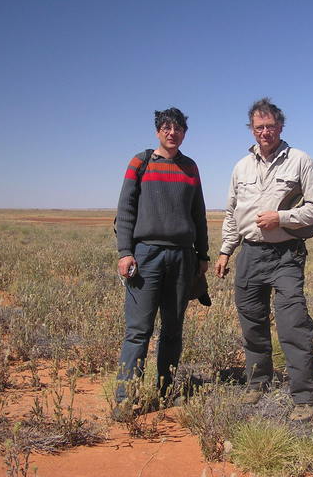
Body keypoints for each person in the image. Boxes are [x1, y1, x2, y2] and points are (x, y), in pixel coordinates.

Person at [214, 98, 313, 421]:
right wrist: (225, 250)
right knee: (252, 322)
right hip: (250, 253)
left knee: (293, 324)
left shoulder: (301, 161)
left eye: (270, 126)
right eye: (259, 127)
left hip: (286, 254)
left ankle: (305, 397)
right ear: (251, 129)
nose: (265, 132)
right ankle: (257, 382)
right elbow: (232, 213)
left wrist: (282, 217)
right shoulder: (241, 167)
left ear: (281, 126)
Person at [114, 107, 209, 420]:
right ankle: (125, 401)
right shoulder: (140, 162)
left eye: (178, 128)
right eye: (167, 128)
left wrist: (203, 254)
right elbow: (125, 210)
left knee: (173, 329)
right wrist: (125, 251)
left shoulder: (190, 167)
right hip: (147, 255)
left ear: (184, 132)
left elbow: (199, 214)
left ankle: (165, 391)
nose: (172, 133)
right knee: (138, 330)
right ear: (158, 131)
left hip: (182, 256)